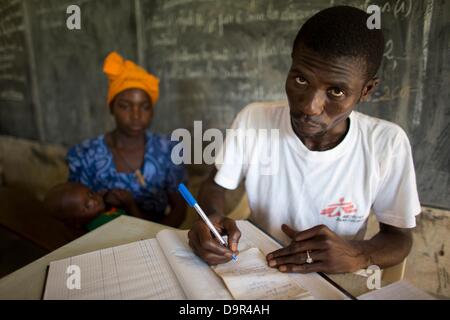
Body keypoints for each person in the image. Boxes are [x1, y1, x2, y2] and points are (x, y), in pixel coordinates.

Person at [188, 6, 421, 274]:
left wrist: (359, 255)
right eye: (301, 79)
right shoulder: (254, 119)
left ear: (366, 90)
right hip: (257, 268)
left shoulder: (386, 143)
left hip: (335, 277)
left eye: (336, 91)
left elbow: (399, 237)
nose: (310, 106)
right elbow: (216, 187)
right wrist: (210, 219)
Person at [66, 52, 186, 227]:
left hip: (158, 239)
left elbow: (180, 210)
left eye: (145, 107)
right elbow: (73, 214)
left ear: (152, 110)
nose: (136, 116)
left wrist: (159, 239)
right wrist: (103, 199)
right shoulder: (85, 154)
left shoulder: (168, 150)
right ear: (111, 108)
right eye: (125, 106)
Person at [43, 182, 142, 232]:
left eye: (91, 193)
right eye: (87, 206)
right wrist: (130, 204)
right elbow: (141, 228)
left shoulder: (96, 217)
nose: (94, 201)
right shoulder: (104, 225)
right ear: (76, 223)